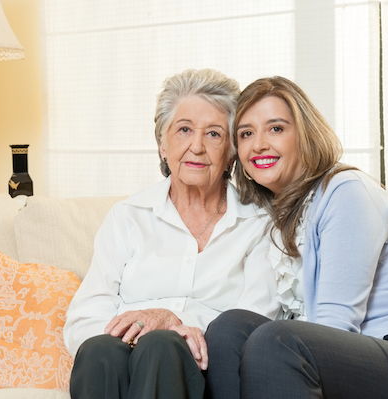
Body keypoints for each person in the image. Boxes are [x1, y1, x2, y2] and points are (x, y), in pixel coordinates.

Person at [205, 76, 388, 398]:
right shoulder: (276, 214)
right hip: (352, 354)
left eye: (276, 128)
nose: (259, 144)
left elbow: (336, 323)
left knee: (277, 340)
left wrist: (281, 347)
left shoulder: (346, 191)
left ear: (304, 136)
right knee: (229, 329)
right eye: (246, 134)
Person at [64, 69, 277, 399]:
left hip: (208, 367)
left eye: (214, 134)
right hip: (123, 362)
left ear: (232, 152)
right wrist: (136, 329)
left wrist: (175, 321)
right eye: (184, 130)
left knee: (162, 346)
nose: (196, 146)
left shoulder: (258, 223)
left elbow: (258, 318)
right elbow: (84, 319)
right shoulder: (128, 217)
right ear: (162, 144)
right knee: (98, 351)